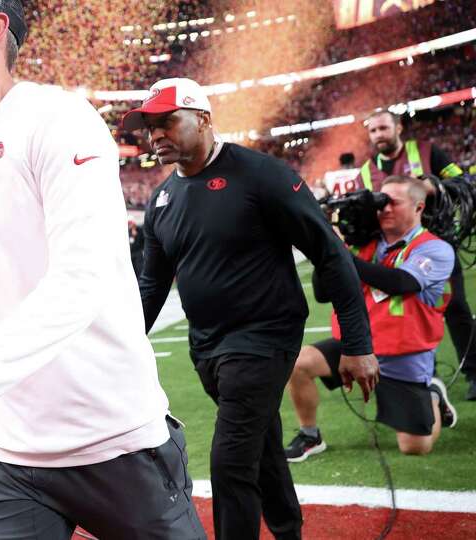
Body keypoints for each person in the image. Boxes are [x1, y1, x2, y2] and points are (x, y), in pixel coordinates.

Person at [0, 3, 204, 538]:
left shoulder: (59, 119)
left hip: (113, 438)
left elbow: (81, 281)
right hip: (11, 455)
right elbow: (8, 301)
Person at [123, 77, 379, 539]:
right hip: (208, 349)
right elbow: (151, 285)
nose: (155, 134)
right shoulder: (162, 200)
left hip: (265, 338)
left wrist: (358, 344)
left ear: (202, 118)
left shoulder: (261, 174)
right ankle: (288, 530)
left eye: (166, 122)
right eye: (149, 126)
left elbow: (331, 254)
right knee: (261, 449)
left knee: (229, 463)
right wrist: (118, 346)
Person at [286, 176, 457, 461]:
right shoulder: (364, 242)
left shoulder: (434, 248)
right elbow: (322, 293)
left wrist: (340, 255)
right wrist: (328, 247)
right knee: (297, 363)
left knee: (414, 447)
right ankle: (310, 434)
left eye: (394, 203)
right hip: (355, 345)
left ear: (418, 207)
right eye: (381, 202)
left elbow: (400, 282)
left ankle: (433, 396)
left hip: (403, 355)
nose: (384, 209)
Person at [360, 110, 476, 401]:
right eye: (373, 131)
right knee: (405, 312)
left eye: (383, 128)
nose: (379, 135)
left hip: (433, 246)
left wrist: (433, 186)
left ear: (398, 127)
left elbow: (464, 184)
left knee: (456, 308)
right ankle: (425, 375)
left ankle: (474, 371)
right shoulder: (364, 172)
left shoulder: (426, 152)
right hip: (389, 252)